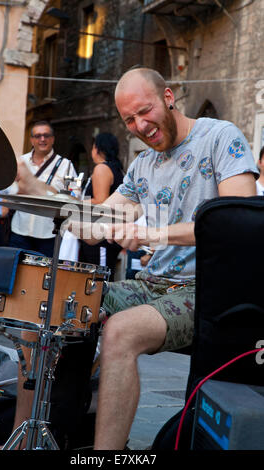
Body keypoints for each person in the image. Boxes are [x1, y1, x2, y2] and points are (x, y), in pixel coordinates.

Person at [83, 67, 258, 450]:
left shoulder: (220, 137)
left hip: (207, 290)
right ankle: (49, 431)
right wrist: (64, 212)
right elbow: (103, 216)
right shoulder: (143, 165)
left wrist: (152, 233)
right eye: (129, 119)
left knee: (120, 330)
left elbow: (238, 222)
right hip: (152, 285)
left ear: (168, 96)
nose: (139, 125)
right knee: (62, 305)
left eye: (144, 112)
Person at [7, 120, 77, 257]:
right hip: (20, 229)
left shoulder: (65, 165)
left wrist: (30, 188)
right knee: (16, 275)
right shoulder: (20, 162)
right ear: (32, 140)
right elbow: (9, 191)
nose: (42, 139)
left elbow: (74, 198)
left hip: (49, 233)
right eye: (38, 136)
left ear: (53, 139)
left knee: (44, 276)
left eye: (46, 135)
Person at [78, 133, 124, 280]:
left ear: (97, 149)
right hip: (104, 233)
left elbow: (101, 201)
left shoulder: (102, 169)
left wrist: (74, 202)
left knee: (98, 280)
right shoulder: (117, 169)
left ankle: (98, 304)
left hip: (100, 235)